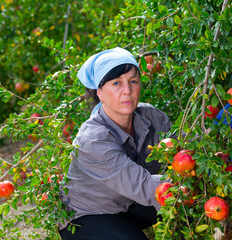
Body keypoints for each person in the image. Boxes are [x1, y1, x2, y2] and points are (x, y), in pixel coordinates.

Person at [59, 47, 172, 240]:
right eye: (116, 83)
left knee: (188, 202)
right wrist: (185, 184)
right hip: (87, 216)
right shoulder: (93, 140)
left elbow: (183, 147)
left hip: (128, 205)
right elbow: (144, 186)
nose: (127, 91)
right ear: (100, 92)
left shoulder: (151, 116)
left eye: (133, 81)